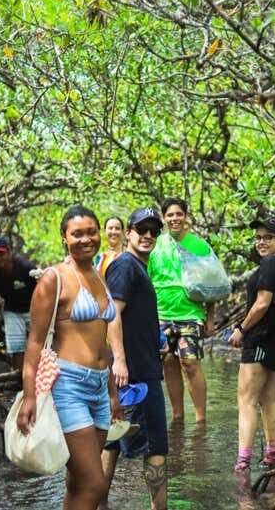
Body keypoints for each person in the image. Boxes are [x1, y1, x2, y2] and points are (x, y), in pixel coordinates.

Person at [16, 206, 118, 510]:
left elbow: (103, 338)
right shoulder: (53, 278)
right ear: (64, 237)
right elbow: (34, 341)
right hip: (68, 386)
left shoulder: (100, 275)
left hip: (99, 387)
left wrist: (112, 392)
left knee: (78, 483)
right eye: (77, 234)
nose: (86, 239)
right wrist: (29, 397)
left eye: (91, 232)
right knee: (95, 484)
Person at [100, 207, 168, 510]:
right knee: (155, 447)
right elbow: (112, 314)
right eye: (142, 230)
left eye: (154, 231)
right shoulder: (126, 266)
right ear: (128, 233)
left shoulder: (136, 267)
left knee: (112, 441)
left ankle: (96, 504)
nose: (148, 236)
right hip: (137, 374)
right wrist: (120, 361)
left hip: (137, 369)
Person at [229, 216, 275, 472]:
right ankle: (272, 454)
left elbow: (262, 303)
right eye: (258, 237)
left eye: (268, 237)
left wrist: (241, 329)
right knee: (268, 399)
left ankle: (242, 461)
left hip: (262, 338)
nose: (261, 242)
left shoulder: (269, 264)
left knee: (245, 401)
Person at [148, 197, 215, 422]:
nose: (174, 218)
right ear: (164, 218)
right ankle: (177, 416)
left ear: (186, 217)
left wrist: (211, 317)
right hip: (161, 314)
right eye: (170, 215)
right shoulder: (155, 245)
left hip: (191, 314)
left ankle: (200, 417)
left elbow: (211, 283)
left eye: (179, 214)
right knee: (168, 362)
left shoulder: (199, 245)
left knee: (190, 363)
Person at [0, 237, 37, 371]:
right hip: (12, 311)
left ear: (8, 253)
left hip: (33, 309)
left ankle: (39, 377)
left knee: (37, 344)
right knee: (16, 346)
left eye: (1, 254)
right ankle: (18, 378)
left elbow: (41, 288)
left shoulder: (25, 267)